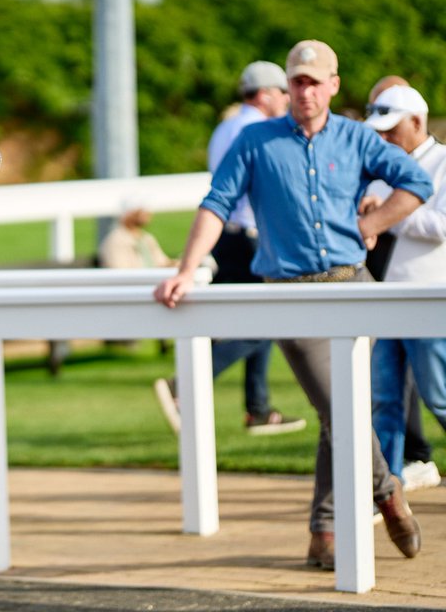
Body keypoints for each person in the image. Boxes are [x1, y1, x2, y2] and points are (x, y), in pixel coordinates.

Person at [153, 39, 432, 571]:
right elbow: (216, 202)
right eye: (295, 82)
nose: (303, 91)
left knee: (340, 413)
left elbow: (416, 182)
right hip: (291, 292)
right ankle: (388, 491)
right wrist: (187, 270)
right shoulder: (256, 141)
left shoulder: (355, 138)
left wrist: (372, 222)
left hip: (356, 285)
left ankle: (323, 531)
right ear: (287, 85)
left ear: (333, 85)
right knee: (338, 406)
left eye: (313, 81)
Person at [153, 62, 306, 436]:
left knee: (254, 318)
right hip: (246, 237)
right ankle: (182, 384)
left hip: (225, 235)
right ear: (267, 94)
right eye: (284, 93)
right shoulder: (257, 130)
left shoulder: (226, 126)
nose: (288, 100)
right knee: (263, 321)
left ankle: (258, 408)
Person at [361, 84, 446, 492]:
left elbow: (441, 227)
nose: (386, 137)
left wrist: (391, 214)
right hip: (386, 299)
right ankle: (387, 488)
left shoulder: (444, 162)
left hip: (430, 299)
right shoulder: (383, 170)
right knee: (385, 400)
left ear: (417, 121)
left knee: (439, 396)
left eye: (393, 128)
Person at [99, 203, 174, 269]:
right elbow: (120, 272)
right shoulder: (116, 241)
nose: (147, 213)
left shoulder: (146, 238)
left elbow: (162, 262)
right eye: (142, 210)